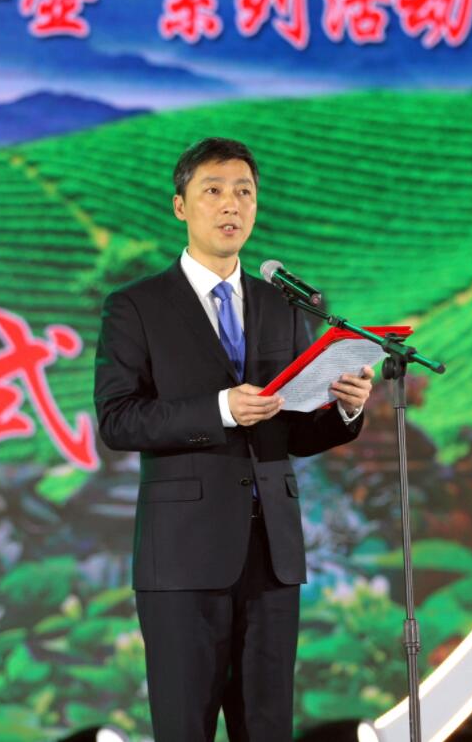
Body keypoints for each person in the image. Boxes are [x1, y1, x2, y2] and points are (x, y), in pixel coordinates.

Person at [94, 137, 374, 740]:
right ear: (180, 206)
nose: (231, 204)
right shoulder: (137, 306)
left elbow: (293, 430)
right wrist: (221, 409)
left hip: (271, 554)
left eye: (244, 192)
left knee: (267, 728)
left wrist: (346, 409)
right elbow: (118, 420)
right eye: (214, 191)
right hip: (182, 558)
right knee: (184, 728)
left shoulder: (282, 305)